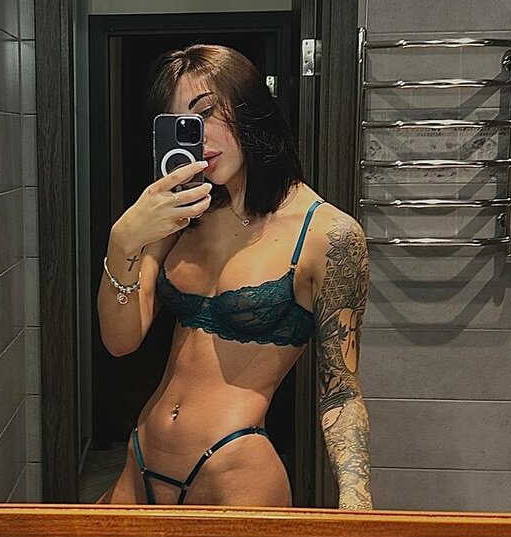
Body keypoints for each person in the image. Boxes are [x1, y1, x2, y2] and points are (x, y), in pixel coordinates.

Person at [96, 43, 372, 509]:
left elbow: (340, 391)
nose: (197, 135)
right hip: (140, 459)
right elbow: (120, 340)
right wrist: (123, 241)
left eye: (206, 113)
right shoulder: (184, 215)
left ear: (250, 107)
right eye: (180, 123)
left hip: (232, 473)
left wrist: (357, 500)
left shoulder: (328, 234)